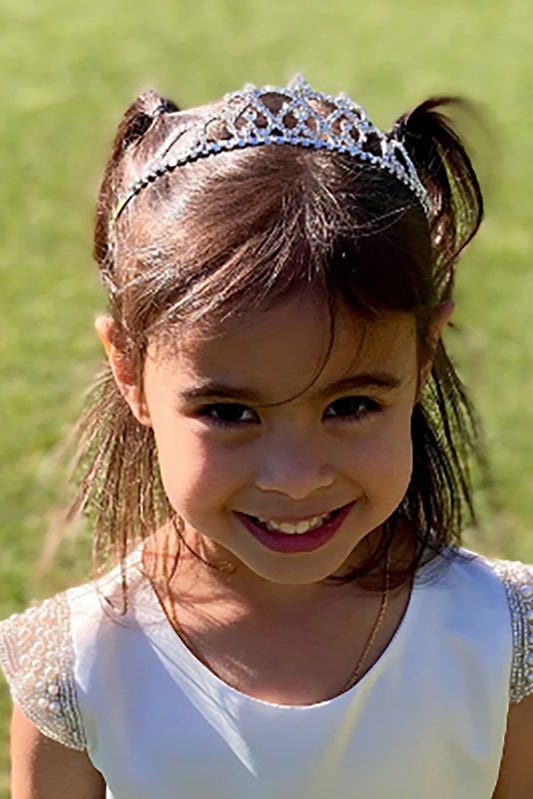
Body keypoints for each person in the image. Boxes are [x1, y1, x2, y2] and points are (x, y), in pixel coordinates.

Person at [0, 75, 532, 799]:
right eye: (227, 412)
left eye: (349, 405)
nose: (293, 476)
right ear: (128, 371)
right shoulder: (78, 668)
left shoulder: (501, 639)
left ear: (422, 357)